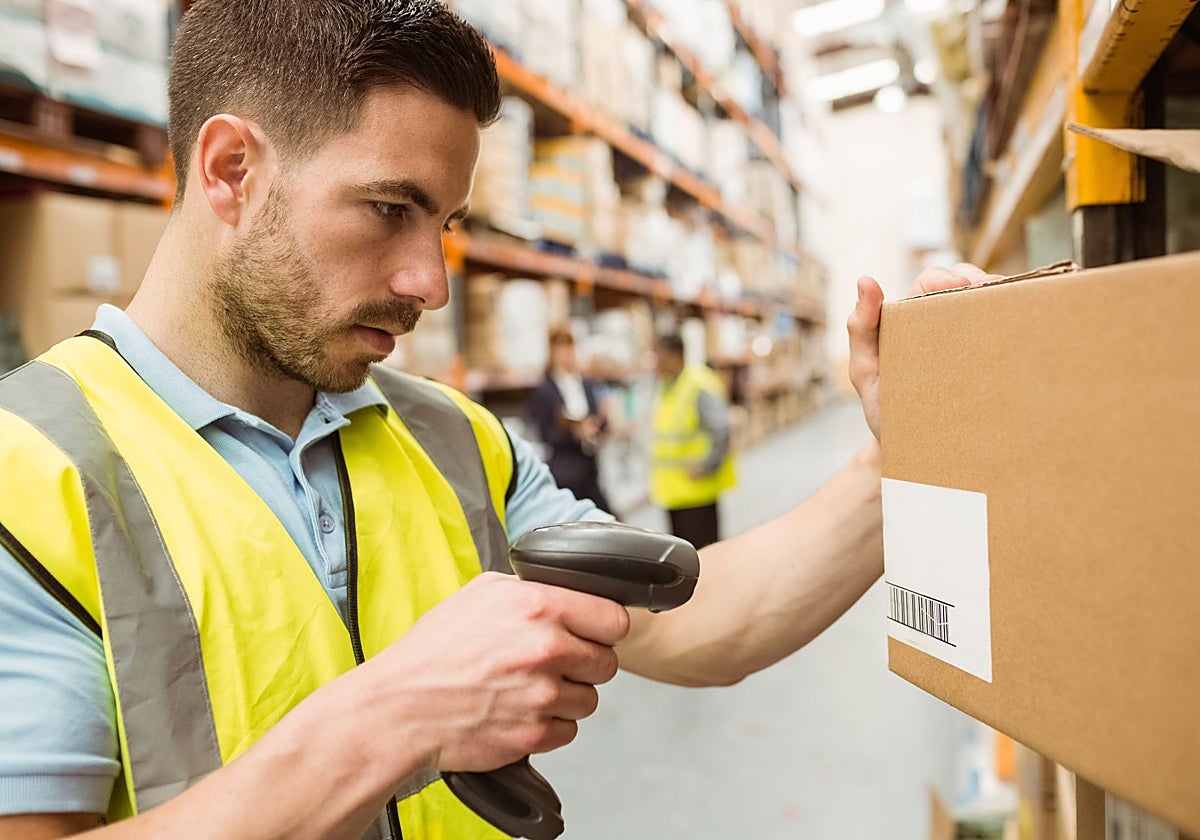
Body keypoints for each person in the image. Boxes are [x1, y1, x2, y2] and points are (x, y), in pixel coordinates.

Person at [0, 2, 996, 838]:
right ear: (229, 171)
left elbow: (702, 625)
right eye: (389, 209)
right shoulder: (29, 476)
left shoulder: (452, 439)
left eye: (445, 225)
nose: (429, 282)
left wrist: (896, 456)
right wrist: (393, 721)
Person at [649, 333, 735, 549]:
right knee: (683, 557)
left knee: (705, 556)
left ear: (676, 356)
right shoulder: (666, 386)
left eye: (659, 357)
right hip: (673, 492)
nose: (655, 363)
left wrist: (706, 465)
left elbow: (721, 429)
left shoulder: (698, 384)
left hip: (697, 492)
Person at [527, 327, 612, 513]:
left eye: (569, 347)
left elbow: (601, 423)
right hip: (565, 471)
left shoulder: (586, 384)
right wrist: (573, 432)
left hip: (589, 466)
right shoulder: (545, 391)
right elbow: (544, 434)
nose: (566, 354)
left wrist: (602, 419)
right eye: (560, 348)